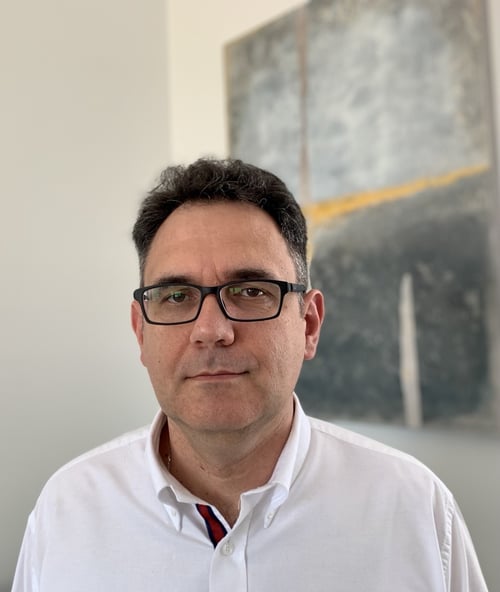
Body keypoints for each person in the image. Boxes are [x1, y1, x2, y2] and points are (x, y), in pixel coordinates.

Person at [12, 158, 488, 591]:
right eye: (176, 296)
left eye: (251, 291)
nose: (211, 330)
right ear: (141, 332)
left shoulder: (414, 509)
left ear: (308, 325)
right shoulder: (67, 511)